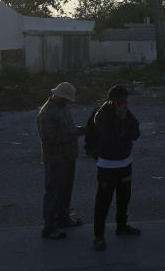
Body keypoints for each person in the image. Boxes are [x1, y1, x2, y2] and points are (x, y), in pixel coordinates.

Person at [90, 85, 141, 251]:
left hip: (125, 162)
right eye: (121, 100)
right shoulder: (102, 115)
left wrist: (124, 119)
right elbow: (110, 139)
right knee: (103, 201)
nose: (124, 103)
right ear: (112, 100)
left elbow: (135, 131)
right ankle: (99, 236)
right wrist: (120, 121)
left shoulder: (126, 112)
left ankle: (122, 225)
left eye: (126, 100)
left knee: (124, 197)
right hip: (107, 165)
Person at [37, 82, 83, 239]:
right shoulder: (46, 113)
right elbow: (48, 138)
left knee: (65, 191)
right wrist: (73, 134)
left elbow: (66, 128)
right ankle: (48, 227)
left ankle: (63, 218)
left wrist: (79, 130)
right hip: (55, 159)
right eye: (66, 98)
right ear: (57, 96)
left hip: (68, 156)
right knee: (53, 193)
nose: (67, 101)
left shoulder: (62, 107)